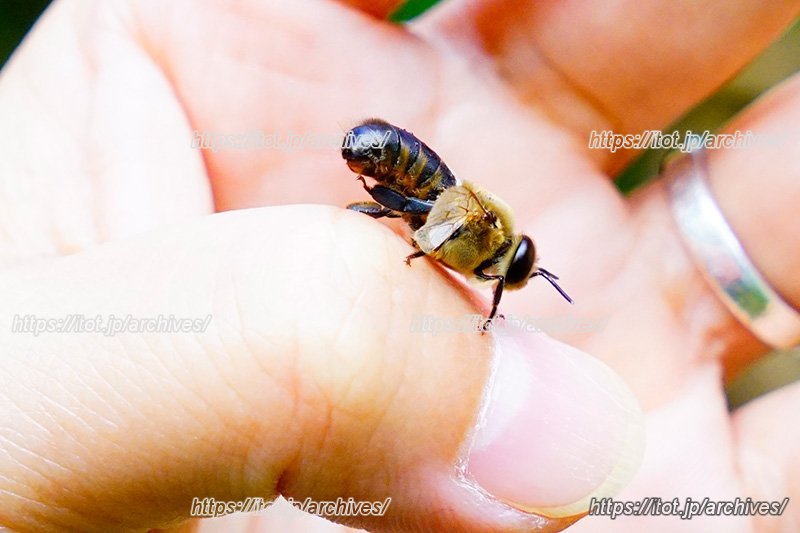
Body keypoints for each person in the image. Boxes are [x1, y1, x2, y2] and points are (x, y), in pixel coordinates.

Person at [0, 0, 797, 531]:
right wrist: (410, 232)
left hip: (401, 172)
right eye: (513, 273)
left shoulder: (486, 243)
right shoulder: (480, 231)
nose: (507, 279)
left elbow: (439, 222)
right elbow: (440, 216)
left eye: (513, 276)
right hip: (402, 167)